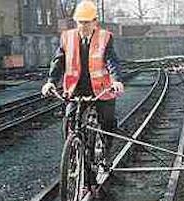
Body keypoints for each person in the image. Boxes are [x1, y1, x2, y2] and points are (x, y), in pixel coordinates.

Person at [41, 0, 124, 166]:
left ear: (95, 21)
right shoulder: (67, 37)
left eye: (87, 22)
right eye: (80, 22)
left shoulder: (104, 37)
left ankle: (106, 151)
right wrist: (50, 81)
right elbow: (58, 61)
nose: (83, 26)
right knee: (70, 121)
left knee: (107, 121)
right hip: (76, 89)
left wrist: (116, 81)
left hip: (101, 89)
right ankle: (74, 153)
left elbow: (112, 61)